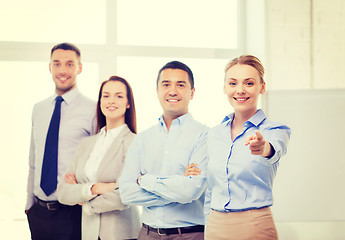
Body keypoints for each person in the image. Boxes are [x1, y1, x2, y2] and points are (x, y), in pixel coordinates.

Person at [203, 55, 291, 240]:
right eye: (233, 83)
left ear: (262, 87)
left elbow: (273, 151)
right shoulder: (214, 134)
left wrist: (263, 147)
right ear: (225, 87)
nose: (240, 90)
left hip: (254, 225)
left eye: (249, 83)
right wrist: (208, 224)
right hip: (214, 225)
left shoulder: (275, 130)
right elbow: (211, 188)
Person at [119, 61, 208, 240]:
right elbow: (126, 193)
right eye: (166, 84)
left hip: (189, 235)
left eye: (180, 85)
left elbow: (189, 191)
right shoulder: (142, 138)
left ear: (192, 92)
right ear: (157, 90)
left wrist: (144, 180)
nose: (172, 91)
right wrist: (177, 185)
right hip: (147, 234)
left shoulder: (205, 135)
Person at [25, 42, 97, 240]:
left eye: (69, 64)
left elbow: (97, 162)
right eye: (57, 64)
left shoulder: (93, 110)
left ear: (79, 68)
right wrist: (29, 205)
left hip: (72, 212)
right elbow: (33, 160)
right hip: (38, 212)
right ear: (50, 67)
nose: (62, 70)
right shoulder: (38, 109)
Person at [57, 76, 141, 240]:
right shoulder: (86, 144)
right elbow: (62, 191)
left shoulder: (134, 142)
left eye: (119, 96)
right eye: (106, 95)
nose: (111, 101)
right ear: (100, 101)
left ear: (128, 103)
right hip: (88, 233)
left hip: (122, 234)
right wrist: (94, 188)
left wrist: (83, 199)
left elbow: (126, 194)